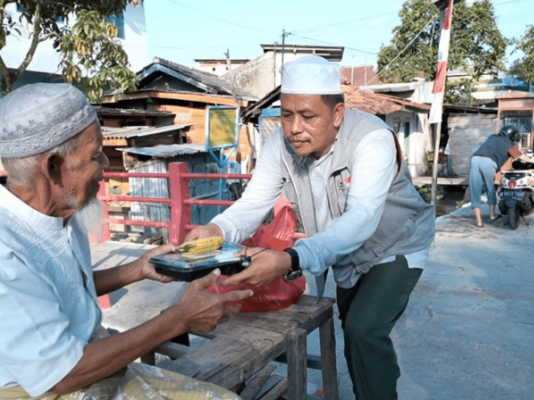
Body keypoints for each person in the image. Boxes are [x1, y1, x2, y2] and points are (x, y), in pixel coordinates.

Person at [0, 83, 252, 400]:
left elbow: (61, 290)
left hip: (88, 367)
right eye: (95, 154)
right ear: (53, 167)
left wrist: (139, 269)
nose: (105, 166)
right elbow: (63, 374)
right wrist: (179, 318)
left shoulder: (60, 214)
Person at [185, 56, 435, 400]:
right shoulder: (280, 146)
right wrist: (216, 230)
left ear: (337, 115)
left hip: (395, 246)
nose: (294, 128)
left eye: (308, 116)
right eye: (287, 115)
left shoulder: (372, 139)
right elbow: (253, 203)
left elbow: (361, 219)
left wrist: (289, 259)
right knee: (353, 330)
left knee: (365, 329)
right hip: (342, 252)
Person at [469, 125, 529, 227]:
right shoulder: (509, 143)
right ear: (513, 136)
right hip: (488, 162)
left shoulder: (492, 137)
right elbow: (521, 157)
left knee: (474, 189)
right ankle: (492, 215)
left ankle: (478, 220)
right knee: (490, 188)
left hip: (475, 159)